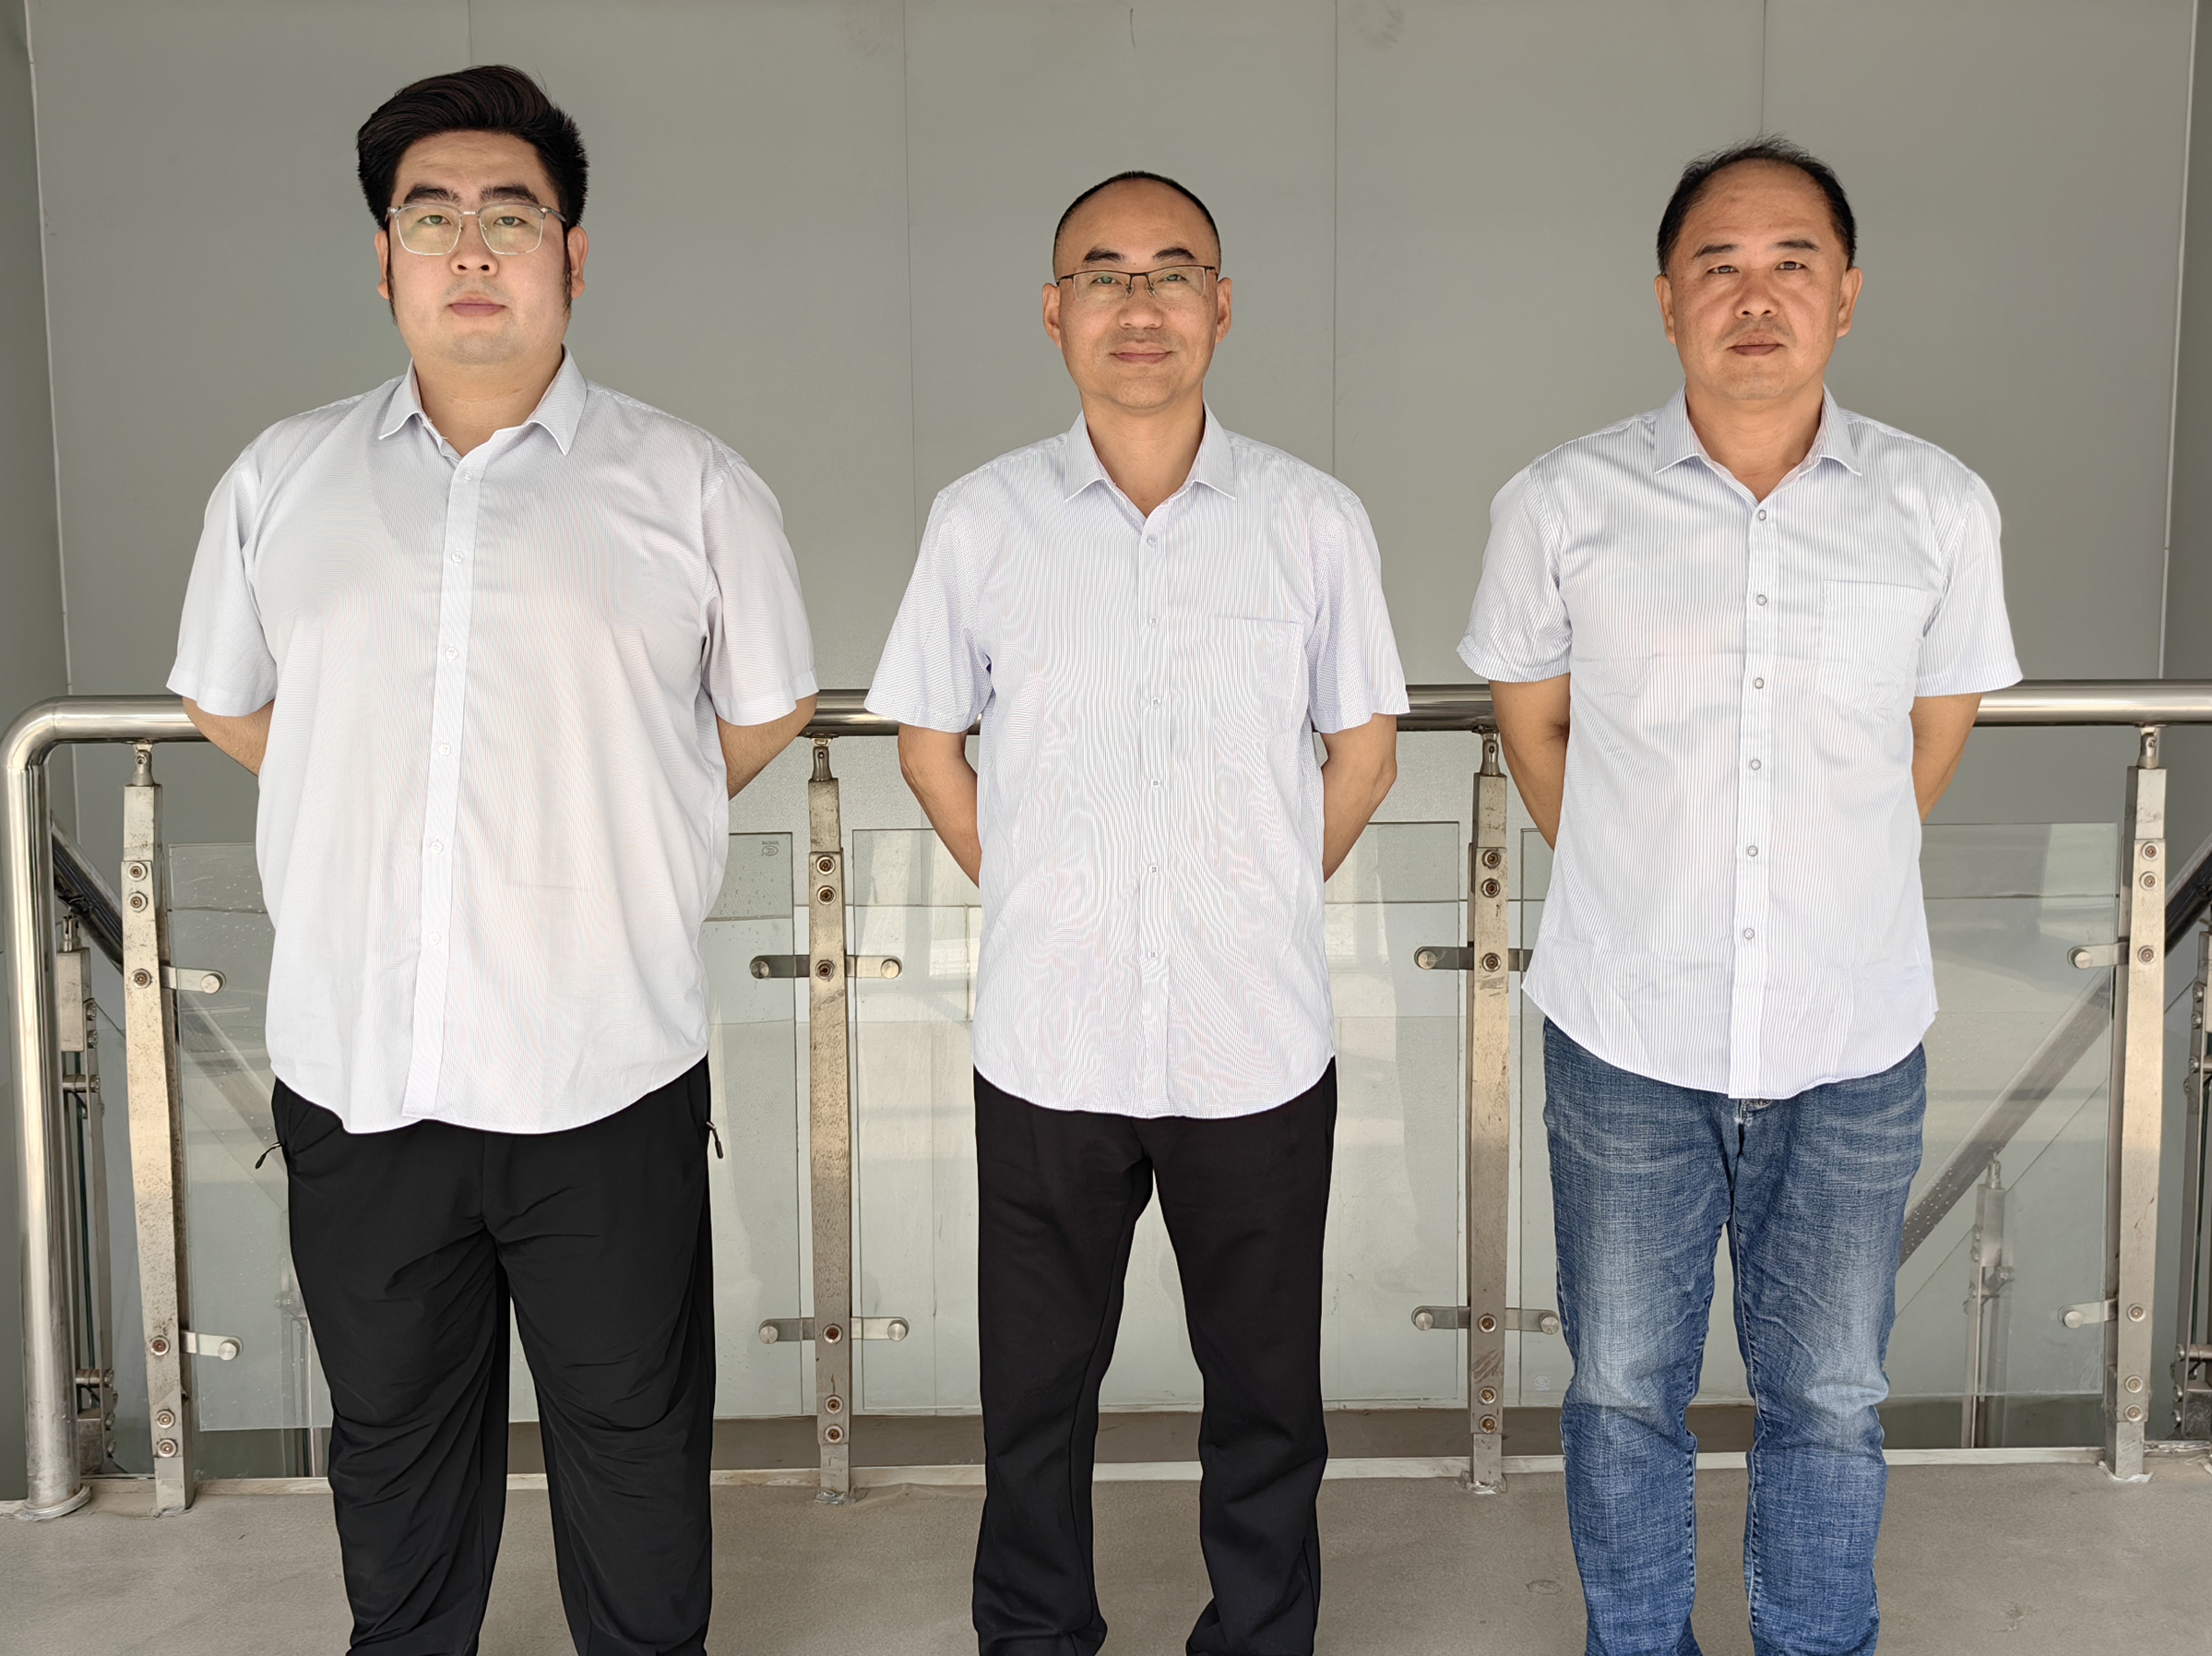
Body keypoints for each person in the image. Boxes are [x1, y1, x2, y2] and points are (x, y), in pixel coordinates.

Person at [168, 65, 816, 1655]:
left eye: (509, 216)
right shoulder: (280, 479)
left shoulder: (692, 485)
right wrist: (374, 793)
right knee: (390, 1449)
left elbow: (761, 712)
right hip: (359, 1072)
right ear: (381, 258)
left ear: (572, 256)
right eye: (430, 216)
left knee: (634, 1443)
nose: (470, 247)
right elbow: (230, 702)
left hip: (603, 1067)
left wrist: (613, 811)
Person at [1461, 138, 2020, 1656]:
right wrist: (1648, 882)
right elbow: (1534, 727)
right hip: (1625, 1032)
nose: (1754, 296)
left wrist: (1814, 888)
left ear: (1846, 293)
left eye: (1791, 264)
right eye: (1718, 266)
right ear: (1665, 300)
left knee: (1830, 1394)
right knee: (1619, 1388)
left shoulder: (1934, 506)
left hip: (1849, 1033)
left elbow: (1927, 740)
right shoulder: (1560, 502)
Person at [868, 171, 1407, 1656]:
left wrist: (1253, 895)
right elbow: (928, 743)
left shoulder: (1310, 520)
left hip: (1254, 1042)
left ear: (1220, 306)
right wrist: (1042, 889)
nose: (1138, 302)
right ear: (1054, 314)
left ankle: (1260, 1636)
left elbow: (1364, 750)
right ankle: (1035, 1637)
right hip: (1050, 1040)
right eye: (1102, 274)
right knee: (1034, 1401)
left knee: (1266, 1398)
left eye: (1173, 272)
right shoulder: (982, 521)